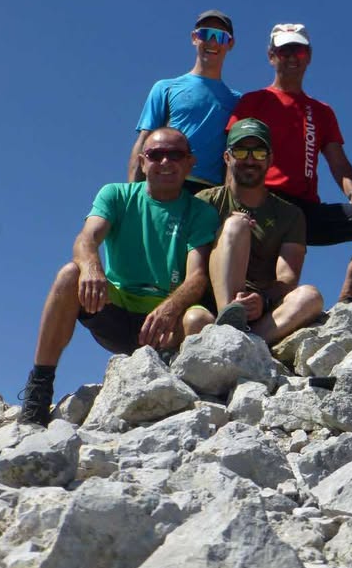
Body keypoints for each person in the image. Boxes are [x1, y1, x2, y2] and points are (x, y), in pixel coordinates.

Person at [19, 128, 220, 426]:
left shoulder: (201, 212)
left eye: (175, 155)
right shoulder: (116, 195)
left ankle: (180, 392)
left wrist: (170, 307)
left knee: (200, 320)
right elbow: (86, 239)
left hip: (164, 323)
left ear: (190, 163)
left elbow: (197, 276)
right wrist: (91, 267)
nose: (166, 162)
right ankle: (39, 387)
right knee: (69, 274)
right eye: (156, 154)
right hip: (116, 310)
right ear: (142, 161)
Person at [229, 23, 352, 303]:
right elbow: (233, 155)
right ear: (271, 55)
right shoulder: (254, 101)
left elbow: (338, 162)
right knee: (264, 282)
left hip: (305, 211)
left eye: (297, 51)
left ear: (308, 56)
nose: (290, 58)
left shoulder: (321, 111)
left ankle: (347, 301)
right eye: (284, 51)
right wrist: (232, 205)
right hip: (261, 203)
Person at [185, 118, 325, 344]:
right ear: (227, 157)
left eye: (259, 153)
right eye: (241, 152)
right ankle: (228, 321)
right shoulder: (205, 202)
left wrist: (263, 300)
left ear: (270, 160)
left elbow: (287, 278)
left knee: (310, 296)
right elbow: (194, 263)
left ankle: (247, 343)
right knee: (195, 318)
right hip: (212, 305)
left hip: (260, 311)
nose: (250, 160)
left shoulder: (290, 214)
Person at [129, 10, 240, 193]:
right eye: (205, 34)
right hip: (165, 184)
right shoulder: (165, 88)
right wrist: (132, 196)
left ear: (230, 44)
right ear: (194, 38)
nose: (212, 42)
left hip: (209, 194)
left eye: (220, 36)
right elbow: (144, 140)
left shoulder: (237, 101)